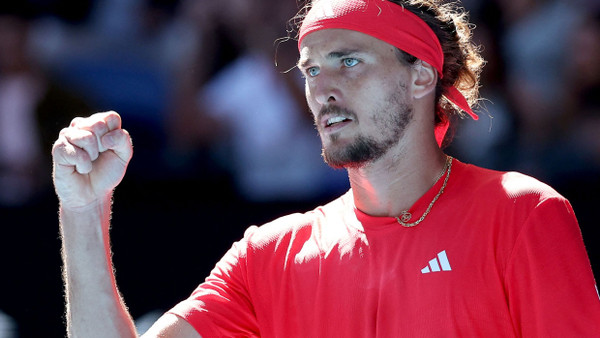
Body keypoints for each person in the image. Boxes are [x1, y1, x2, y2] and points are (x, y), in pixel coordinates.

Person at [51, 0, 600, 337]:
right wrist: (82, 210)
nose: (322, 89)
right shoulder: (267, 254)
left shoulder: (524, 213)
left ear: (420, 76)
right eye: (311, 70)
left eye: (350, 61)